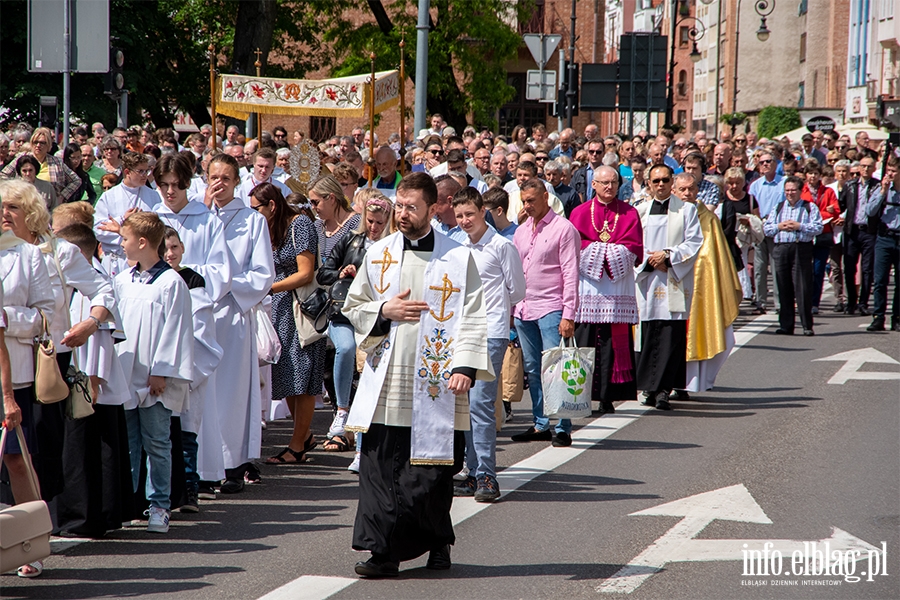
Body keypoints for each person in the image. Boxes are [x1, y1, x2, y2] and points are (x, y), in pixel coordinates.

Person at [342, 172, 492, 578]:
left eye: (412, 207)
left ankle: (437, 544)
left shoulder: (458, 259)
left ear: (432, 208)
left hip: (436, 381)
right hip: (387, 380)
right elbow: (355, 306)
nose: (402, 214)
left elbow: (475, 315)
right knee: (377, 468)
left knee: (430, 472)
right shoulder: (379, 253)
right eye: (399, 206)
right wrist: (383, 311)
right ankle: (383, 553)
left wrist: (464, 365)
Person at [114, 212, 194, 534]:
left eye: (125, 239)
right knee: (130, 443)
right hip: (126, 375)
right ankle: (133, 502)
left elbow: (176, 330)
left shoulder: (171, 283)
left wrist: (162, 370)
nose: (121, 244)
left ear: (143, 242)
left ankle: (159, 504)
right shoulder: (122, 280)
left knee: (158, 442)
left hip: (154, 380)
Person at [450, 187, 525, 502]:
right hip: (461, 332)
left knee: (481, 404)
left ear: (483, 211)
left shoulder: (501, 245)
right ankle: (471, 471)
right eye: (459, 216)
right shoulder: (455, 245)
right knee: (463, 405)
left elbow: (517, 290)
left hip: (491, 331)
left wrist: (496, 311)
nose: (465, 221)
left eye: (469, 214)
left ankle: (487, 477)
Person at [207, 154, 276, 493]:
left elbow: (263, 273)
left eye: (225, 177)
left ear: (236, 182)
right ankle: (202, 468)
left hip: (233, 312)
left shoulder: (252, 221)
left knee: (231, 393)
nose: (218, 183)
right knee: (201, 393)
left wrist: (226, 283)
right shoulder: (198, 217)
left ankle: (232, 466)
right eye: (212, 176)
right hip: (200, 311)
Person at [249, 182, 327, 466]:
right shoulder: (270, 227)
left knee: (303, 376)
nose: (253, 214)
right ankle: (303, 436)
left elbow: (306, 273)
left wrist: (269, 288)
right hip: (283, 306)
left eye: (256, 208)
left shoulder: (300, 225)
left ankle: (298, 445)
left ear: (271, 205)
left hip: (301, 307)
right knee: (288, 374)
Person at [0, 184, 56, 579]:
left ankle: (31, 542)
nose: (5, 213)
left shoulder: (30, 256)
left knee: (19, 461)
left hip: (15, 375)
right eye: (0, 206)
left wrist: (7, 319)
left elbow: (47, 317)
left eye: (13, 207)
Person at [317, 189, 394, 470]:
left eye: (379, 222)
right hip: (344, 313)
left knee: (367, 380)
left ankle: (362, 451)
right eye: (370, 221)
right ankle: (341, 409)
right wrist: (341, 272)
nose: (374, 227)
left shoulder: (394, 246)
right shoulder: (351, 240)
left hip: (376, 319)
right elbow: (323, 272)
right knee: (346, 349)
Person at [509, 178, 580, 446]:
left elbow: (571, 273)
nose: (527, 206)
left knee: (557, 368)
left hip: (552, 307)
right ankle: (541, 422)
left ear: (545, 199)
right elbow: (515, 271)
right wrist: (512, 308)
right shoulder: (521, 231)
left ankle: (562, 425)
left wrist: (569, 313)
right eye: (523, 201)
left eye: (531, 200)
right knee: (533, 368)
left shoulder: (564, 229)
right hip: (524, 308)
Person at [634, 164, 703, 410]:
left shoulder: (686, 210)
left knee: (670, 335)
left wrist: (668, 256)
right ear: (649, 184)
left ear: (671, 183)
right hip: (648, 278)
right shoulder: (640, 210)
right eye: (656, 181)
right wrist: (649, 261)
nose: (661, 185)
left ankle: (665, 390)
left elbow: (694, 242)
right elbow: (633, 245)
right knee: (649, 333)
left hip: (673, 278)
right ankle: (649, 389)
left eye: (665, 180)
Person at [671, 173, 742, 395]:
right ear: (674, 191)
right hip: (671, 284)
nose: (687, 193)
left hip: (700, 288)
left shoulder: (709, 220)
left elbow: (717, 260)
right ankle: (667, 382)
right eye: (682, 189)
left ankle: (689, 382)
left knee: (697, 332)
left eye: (691, 189)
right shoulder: (667, 215)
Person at [763, 176, 824, 336]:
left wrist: (800, 226)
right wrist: (779, 226)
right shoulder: (778, 207)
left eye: (793, 190)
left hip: (801, 248)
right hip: (781, 248)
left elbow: (818, 227)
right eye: (787, 190)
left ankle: (806, 325)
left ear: (800, 191)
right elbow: (767, 229)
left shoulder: (809, 207)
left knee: (802, 287)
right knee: (783, 287)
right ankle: (786, 325)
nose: (790, 193)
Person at [94, 152, 160, 278]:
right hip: (117, 260)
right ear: (127, 172)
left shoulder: (153, 196)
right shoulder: (110, 196)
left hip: (144, 260)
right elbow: (97, 229)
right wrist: (123, 220)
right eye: (140, 171)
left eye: (147, 171)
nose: (145, 175)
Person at [841, 155, 880, 315]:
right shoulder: (850, 185)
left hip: (869, 231)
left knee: (867, 268)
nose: (865, 169)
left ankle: (863, 302)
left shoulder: (877, 186)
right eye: (863, 166)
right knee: (849, 267)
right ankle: (851, 301)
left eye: (869, 166)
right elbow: (842, 204)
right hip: (852, 230)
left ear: (873, 169)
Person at [800, 161, 841, 314]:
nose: (813, 176)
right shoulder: (801, 190)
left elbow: (835, 211)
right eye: (810, 173)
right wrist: (823, 213)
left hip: (823, 233)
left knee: (818, 270)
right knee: (804, 270)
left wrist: (824, 213)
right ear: (806, 175)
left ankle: (814, 302)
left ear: (820, 176)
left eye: (816, 174)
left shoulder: (828, 191)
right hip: (805, 233)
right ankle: (803, 300)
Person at [865, 156, 900, 331]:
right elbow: (870, 211)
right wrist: (882, 192)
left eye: (894, 171)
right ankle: (878, 316)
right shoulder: (881, 188)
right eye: (888, 171)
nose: (890, 174)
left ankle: (897, 317)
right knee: (879, 280)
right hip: (884, 238)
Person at [0, 127, 81, 203]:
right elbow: (3, 175)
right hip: (25, 203)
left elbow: (76, 180)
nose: (38, 145)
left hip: (49, 207)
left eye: (42, 143)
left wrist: (63, 196)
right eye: (35, 142)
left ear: (49, 145)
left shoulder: (57, 162)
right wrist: (15, 188)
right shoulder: (22, 158)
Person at [748, 151, 784, 314]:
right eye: (761, 162)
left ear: (776, 164)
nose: (765, 164)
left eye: (769, 161)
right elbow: (752, 206)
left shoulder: (783, 183)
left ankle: (779, 303)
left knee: (777, 268)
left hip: (777, 227)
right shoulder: (755, 185)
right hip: (760, 227)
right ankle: (760, 301)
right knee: (759, 267)